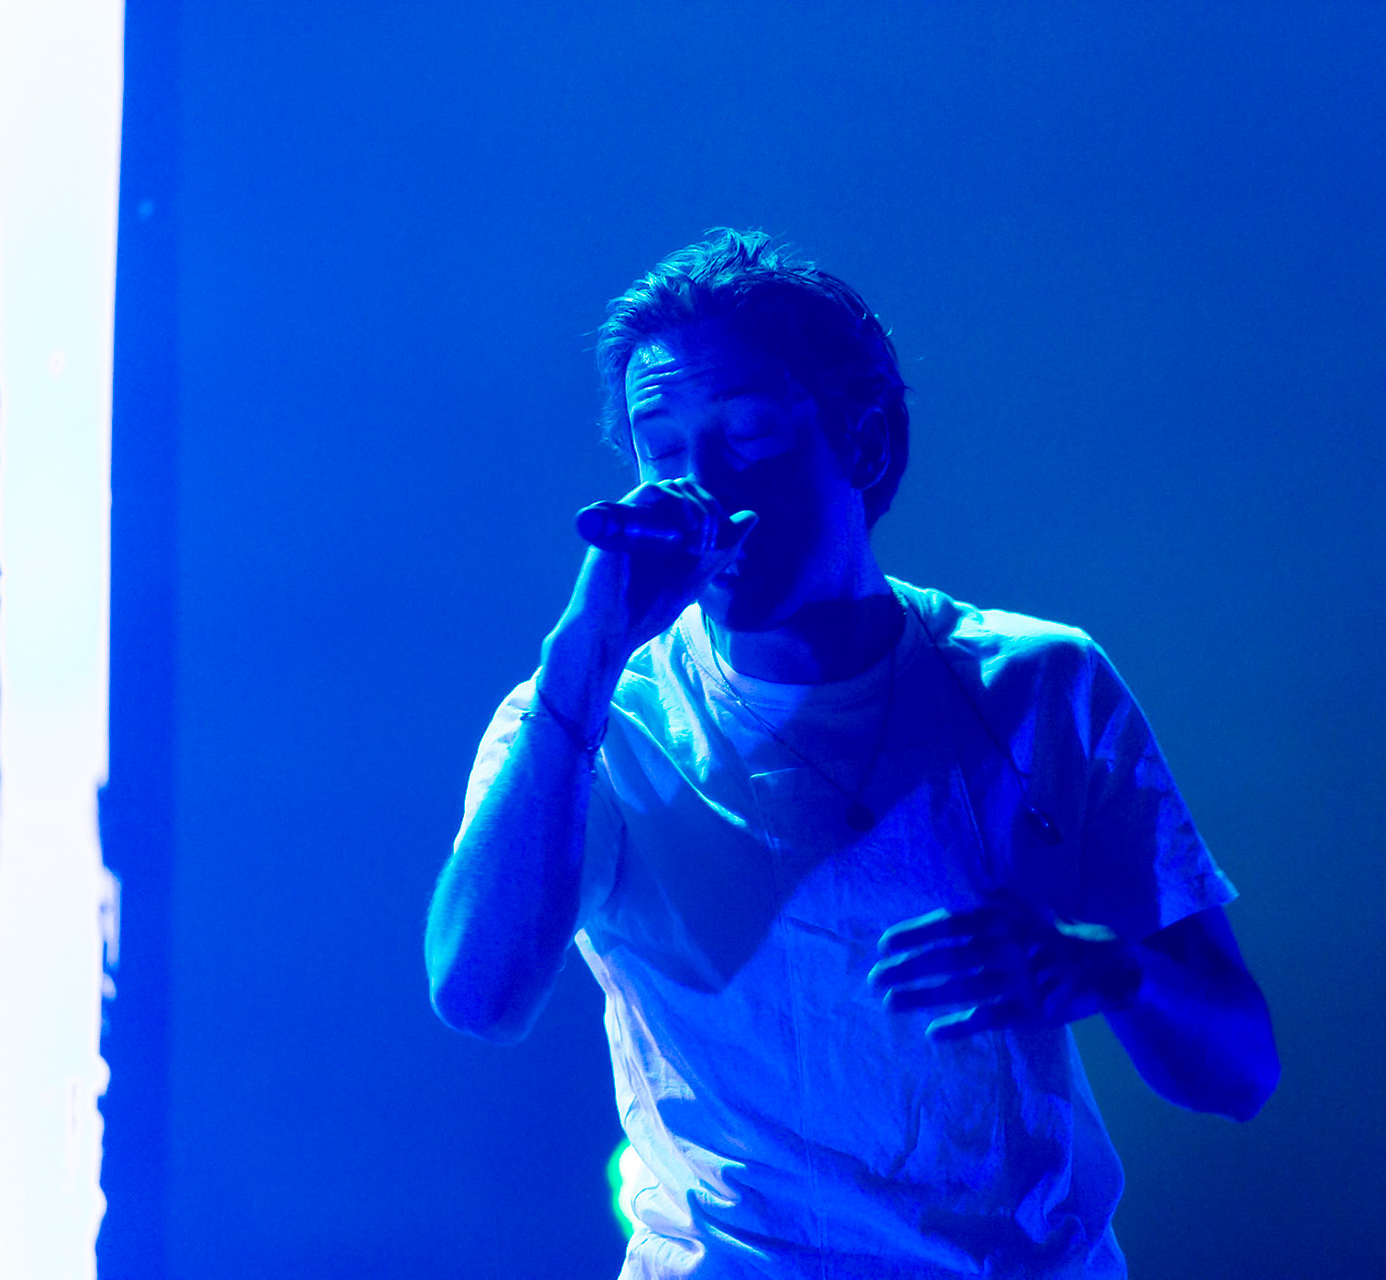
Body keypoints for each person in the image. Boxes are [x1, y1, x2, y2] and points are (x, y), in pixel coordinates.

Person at [425, 229, 1279, 1279]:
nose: (701, 488)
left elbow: (1239, 1068)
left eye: (747, 432)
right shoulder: (585, 718)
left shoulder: (1036, 682)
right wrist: (579, 665)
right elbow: (480, 994)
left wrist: (1101, 966)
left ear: (862, 442)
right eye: (663, 447)